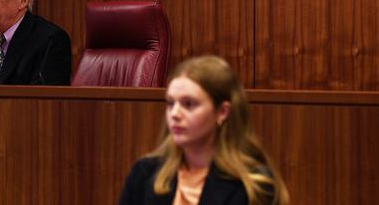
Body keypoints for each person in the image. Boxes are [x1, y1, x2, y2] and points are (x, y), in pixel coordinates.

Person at [118, 56, 289, 205]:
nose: (175, 114)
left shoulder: (254, 186)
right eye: (171, 103)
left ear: (222, 112)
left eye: (189, 104)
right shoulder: (145, 173)